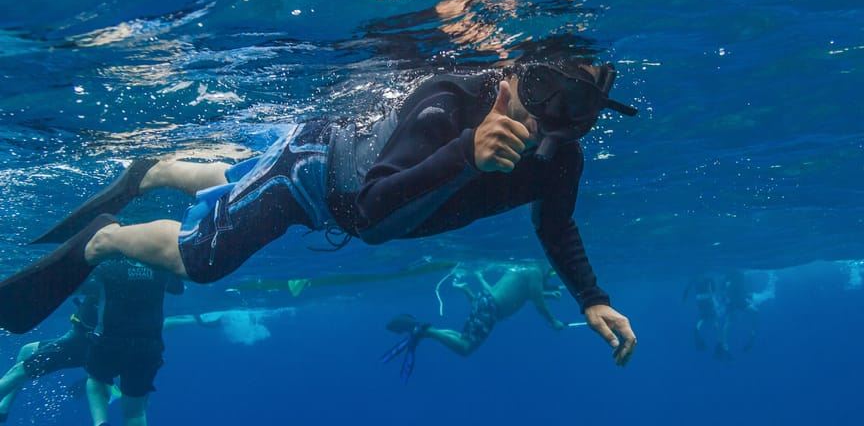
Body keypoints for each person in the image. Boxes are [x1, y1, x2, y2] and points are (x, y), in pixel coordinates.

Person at [0, 59, 638, 365]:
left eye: (573, 110)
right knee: (206, 259)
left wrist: (591, 297)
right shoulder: (448, 101)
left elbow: (555, 224)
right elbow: (371, 210)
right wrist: (465, 156)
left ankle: (154, 172)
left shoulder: (560, 160)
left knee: (237, 182)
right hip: (312, 171)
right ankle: (105, 239)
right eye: (538, 92)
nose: (541, 120)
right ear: (509, 78)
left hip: (337, 191)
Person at [381, 262, 565, 380]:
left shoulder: (525, 270)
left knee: (462, 337)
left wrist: (549, 294)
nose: (549, 278)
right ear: (548, 269)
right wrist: (554, 321)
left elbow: (528, 294)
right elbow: (539, 304)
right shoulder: (535, 273)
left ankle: (425, 331)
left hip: (485, 302)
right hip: (491, 308)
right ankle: (426, 331)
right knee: (465, 347)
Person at [84, 257, 184, 426]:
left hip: (110, 341)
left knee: (96, 379)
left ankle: (100, 422)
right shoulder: (160, 266)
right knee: (135, 412)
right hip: (148, 348)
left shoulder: (108, 265)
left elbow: (85, 286)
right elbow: (178, 288)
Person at [0, 293, 98, 422]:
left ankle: (2, 408)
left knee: (19, 372)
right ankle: (3, 407)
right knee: (27, 350)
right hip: (82, 341)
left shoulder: (101, 283)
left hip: (78, 343)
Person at [682, 275, 722, 355]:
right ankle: (719, 343)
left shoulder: (696, 278)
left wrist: (685, 295)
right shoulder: (709, 278)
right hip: (707, 299)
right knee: (714, 318)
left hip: (699, 300)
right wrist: (715, 302)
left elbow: (689, 287)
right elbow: (711, 292)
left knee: (703, 318)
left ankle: (696, 331)